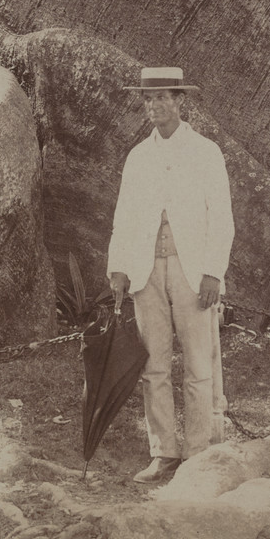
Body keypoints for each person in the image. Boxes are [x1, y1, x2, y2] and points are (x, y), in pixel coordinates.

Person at [106, 66, 235, 486]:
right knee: (153, 366)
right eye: (149, 99)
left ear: (180, 101)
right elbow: (124, 216)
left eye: (164, 97)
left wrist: (213, 271)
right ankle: (163, 452)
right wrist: (120, 267)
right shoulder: (139, 156)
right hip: (147, 271)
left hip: (191, 269)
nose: (155, 105)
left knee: (199, 362)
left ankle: (199, 451)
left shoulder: (205, 152)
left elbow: (222, 218)